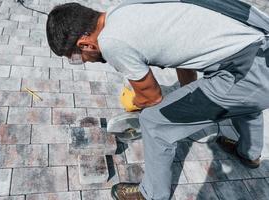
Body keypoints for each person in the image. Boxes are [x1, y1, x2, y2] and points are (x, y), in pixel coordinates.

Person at [46, 1, 269, 199]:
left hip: (254, 68)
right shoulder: (124, 10)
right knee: (245, 102)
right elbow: (184, 51)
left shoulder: (111, 42)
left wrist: (137, 104)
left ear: (85, 44)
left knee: (154, 123)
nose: (84, 61)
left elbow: (152, 98)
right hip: (255, 40)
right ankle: (249, 153)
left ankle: (152, 194)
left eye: (77, 58)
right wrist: (188, 92)